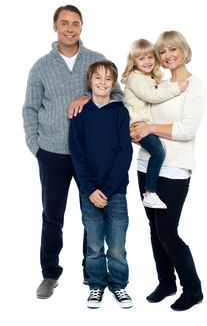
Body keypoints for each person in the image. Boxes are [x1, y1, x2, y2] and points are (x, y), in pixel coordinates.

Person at [22, 5, 123, 299]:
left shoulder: (96, 60)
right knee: (52, 215)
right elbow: (29, 108)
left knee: (91, 213)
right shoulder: (41, 66)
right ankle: (50, 274)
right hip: (52, 153)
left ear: (82, 27)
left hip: (91, 154)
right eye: (64, 23)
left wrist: (87, 94)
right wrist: (36, 146)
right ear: (54, 26)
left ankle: (90, 273)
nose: (69, 28)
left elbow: (116, 93)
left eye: (75, 23)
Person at [131, 31, 206, 311]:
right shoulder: (157, 83)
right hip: (145, 165)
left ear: (184, 50)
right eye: (162, 52)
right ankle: (166, 283)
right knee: (154, 229)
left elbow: (186, 130)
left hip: (174, 170)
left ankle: (193, 289)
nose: (167, 56)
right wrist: (136, 130)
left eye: (173, 49)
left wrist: (149, 128)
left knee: (167, 232)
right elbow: (142, 115)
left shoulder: (195, 87)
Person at [69, 60, 133, 309]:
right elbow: (77, 153)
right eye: (98, 77)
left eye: (108, 78)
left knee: (117, 246)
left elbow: (124, 154)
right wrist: (90, 188)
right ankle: (96, 285)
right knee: (94, 246)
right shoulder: (80, 114)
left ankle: (119, 286)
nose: (103, 82)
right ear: (90, 81)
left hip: (115, 191)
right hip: (89, 192)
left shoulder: (120, 112)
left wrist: (106, 189)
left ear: (113, 83)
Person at [121, 39, 188, 209]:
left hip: (144, 125)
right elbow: (151, 96)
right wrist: (177, 89)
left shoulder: (148, 77)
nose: (147, 61)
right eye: (141, 59)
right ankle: (150, 192)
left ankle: (150, 192)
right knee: (158, 152)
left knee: (158, 152)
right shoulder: (135, 78)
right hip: (138, 125)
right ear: (133, 62)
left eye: (150, 57)